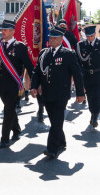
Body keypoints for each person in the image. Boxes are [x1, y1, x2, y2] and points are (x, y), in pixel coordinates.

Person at [30, 27, 85, 159]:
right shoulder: (44, 53)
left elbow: (77, 74)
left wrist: (80, 93)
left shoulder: (68, 54)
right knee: (55, 120)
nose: (51, 40)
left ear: (61, 39)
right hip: (47, 93)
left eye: (55, 38)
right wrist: (33, 86)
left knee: (57, 120)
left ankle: (51, 149)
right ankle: (61, 141)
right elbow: (36, 71)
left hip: (61, 93)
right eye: (51, 37)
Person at [0, 19, 34, 149]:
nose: (2, 32)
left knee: (8, 110)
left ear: (12, 31)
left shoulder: (20, 47)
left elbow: (29, 65)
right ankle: (16, 129)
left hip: (13, 84)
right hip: (0, 84)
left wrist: (35, 83)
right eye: (2, 30)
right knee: (9, 108)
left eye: (5, 30)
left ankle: (4, 139)